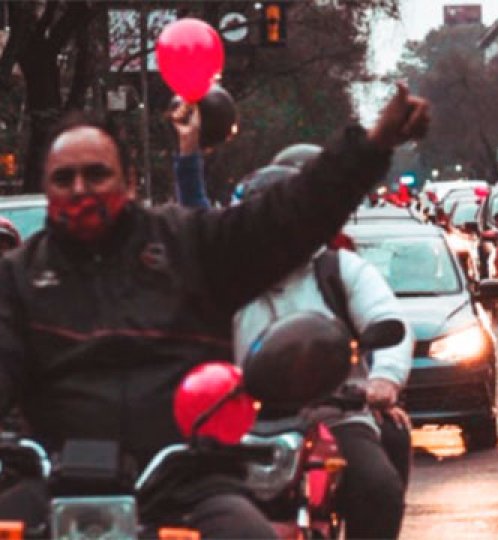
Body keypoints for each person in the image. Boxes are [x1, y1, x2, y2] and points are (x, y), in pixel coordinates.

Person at [0, 84, 429, 537]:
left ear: (129, 182)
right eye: (64, 179)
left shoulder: (187, 244)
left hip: (185, 480)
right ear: (47, 188)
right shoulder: (17, 278)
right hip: (51, 481)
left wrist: (371, 145)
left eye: (96, 174)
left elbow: (288, 217)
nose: (80, 189)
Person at [170, 114, 414, 538]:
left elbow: (389, 321)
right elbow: (192, 223)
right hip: (239, 421)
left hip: (332, 417)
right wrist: (188, 154)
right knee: (181, 500)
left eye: (285, 223)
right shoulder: (223, 276)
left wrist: (385, 380)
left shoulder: (340, 270)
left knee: (378, 488)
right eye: (261, 223)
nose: (274, 235)